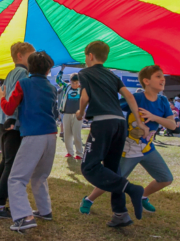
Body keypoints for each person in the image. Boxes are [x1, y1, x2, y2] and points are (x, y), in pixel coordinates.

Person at [80, 64, 174, 217]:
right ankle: (89, 200)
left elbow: (172, 124)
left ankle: (142, 196)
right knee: (114, 180)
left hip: (148, 150)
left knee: (166, 179)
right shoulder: (136, 98)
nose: (163, 79)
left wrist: (153, 117)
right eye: (158, 76)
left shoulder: (163, 101)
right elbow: (113, 107)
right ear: (146, 81)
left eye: (163, 76)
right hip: (128, 151)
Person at [76, 40, 147, 227]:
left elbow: (85, 97)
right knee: (112, 168)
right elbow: (129, 96)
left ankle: (132, 189)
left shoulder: (85, 73)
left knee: (89, 167)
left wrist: (80, 112)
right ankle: (120, 213)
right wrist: (139, 122)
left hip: (102, 123)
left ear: (90, 56)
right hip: (119, 123)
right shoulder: (112, 75)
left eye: (85, 56)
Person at [0, 51, 59, 232]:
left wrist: (1, 96)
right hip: (51, 135)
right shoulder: (52, 87)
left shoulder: (23, 83)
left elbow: (9, 109)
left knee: (16, 178)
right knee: (40, 176)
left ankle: (24, 217)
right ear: (49, 70)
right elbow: (55, 113)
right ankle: (44, 210)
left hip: (33, 135)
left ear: (29, 67)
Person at [0, 42, 33, 219]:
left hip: (3, 120)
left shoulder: (11, 72)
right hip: (11, 122)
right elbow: (13, 97)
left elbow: (4, 96)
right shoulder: (23, 73)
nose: (34, 58)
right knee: (12, 163)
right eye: (32, 55)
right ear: (20, 56)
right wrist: (13, 119)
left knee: (6, 160)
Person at [56, 66, 83, 159]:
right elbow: (57, 80)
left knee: (77, 134)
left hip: (78, 115)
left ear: (79, 82)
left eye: (76, 83)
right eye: (73, 83)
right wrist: (62, 69)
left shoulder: (83, 89)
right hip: (66, 113)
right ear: (70, 82)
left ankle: (79, 153)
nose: (74, 85)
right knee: (67, 134)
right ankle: (70, 152)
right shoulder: (66, 87)